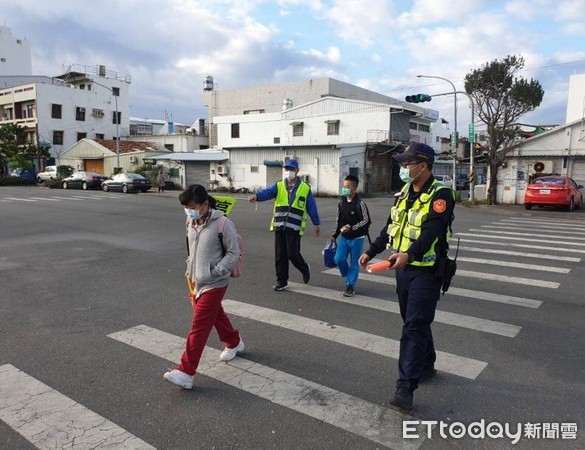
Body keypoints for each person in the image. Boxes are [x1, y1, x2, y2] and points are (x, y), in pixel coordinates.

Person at [358, 143, 455, 411]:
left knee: (413, 326)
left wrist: (409, 255)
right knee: (414, 321)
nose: (403, 168)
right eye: (402, 164)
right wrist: (372, 251)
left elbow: (433, 231)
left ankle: (405, 387)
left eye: (407, 163)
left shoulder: (441, 195)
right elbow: (391, 226)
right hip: (403, 269)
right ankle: (426, 363)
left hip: (427, 269)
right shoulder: (402, 193)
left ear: (423, 165)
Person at [164, 184, 244, 389]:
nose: (189, 210)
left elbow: (233, 253)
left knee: (199, 325)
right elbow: (191, 249)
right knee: (215, 315)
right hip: (196, 280)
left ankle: (186, 371)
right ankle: (234, 341)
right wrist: (189, 270)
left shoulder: (224, 224)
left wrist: (216, 271)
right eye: (186, 207)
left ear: (205, 204)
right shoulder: (190, 221)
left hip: (216, 281)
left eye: (192, 206)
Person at [248, 159, 321, 291]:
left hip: (294, 226)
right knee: (280, 255)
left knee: (292, 253)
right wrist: (256, 196)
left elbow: (311, 206)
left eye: (291, 169)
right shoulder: (279, 185)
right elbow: (268, 193)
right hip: (280, 225)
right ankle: (282, 281)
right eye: (287, 169)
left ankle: (304, 268)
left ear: (297, 171)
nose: (289, 172)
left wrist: (316, 223)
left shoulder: (305, 188)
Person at [331, 174, 371, 297]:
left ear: (354, 188)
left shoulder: (360, 203)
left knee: (354, 263)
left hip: (357, 238)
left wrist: (352, 228)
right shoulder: (341, 202)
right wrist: (335, 234)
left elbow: (366, 220)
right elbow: (338, 219)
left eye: (347, 187)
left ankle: (350, 286)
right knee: (338, 259)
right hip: (344, 237)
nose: (344, 189)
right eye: (343, 186)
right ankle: (349, 276)